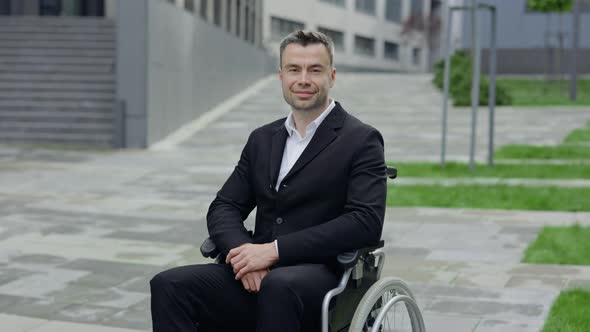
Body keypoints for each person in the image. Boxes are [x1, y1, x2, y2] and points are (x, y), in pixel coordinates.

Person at [150, 30, 387, 332]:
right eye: (293, 69)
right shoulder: (262, 139)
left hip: (321, 275)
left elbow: (364, 221)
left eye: (315, 70)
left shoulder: (361, 139)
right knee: (169, 285)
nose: (303, 79)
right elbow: (224, 206)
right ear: (281, 76)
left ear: (332, 76)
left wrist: (273, 252)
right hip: (257, 271)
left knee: (279, 285)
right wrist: (244, 255)